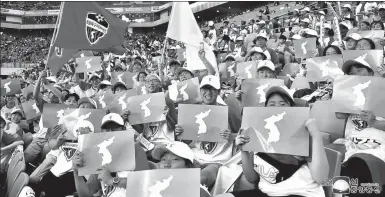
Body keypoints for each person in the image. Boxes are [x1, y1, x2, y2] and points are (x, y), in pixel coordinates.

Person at [215, 86, 329, 197]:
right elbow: (252, 178)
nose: (277, 108)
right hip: (267, 193)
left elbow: (322, 178)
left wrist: (316, 135)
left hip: (302, 192)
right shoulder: (258, 134)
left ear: (292, 107)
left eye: (283, 104)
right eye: (272, 104)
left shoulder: (305, 133)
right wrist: (244, 151)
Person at [174, 75, 241, 188]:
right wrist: (179, 133)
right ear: (200, 91)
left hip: (217, 161)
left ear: (219, 91)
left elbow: (243, 135)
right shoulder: (193, 110)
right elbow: (186, 141)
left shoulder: (228, 111)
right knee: (174, 172)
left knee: (201, 179)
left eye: (212, 89)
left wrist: (231, 136)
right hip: (194, 157)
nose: (208, 93)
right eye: (205, 89)